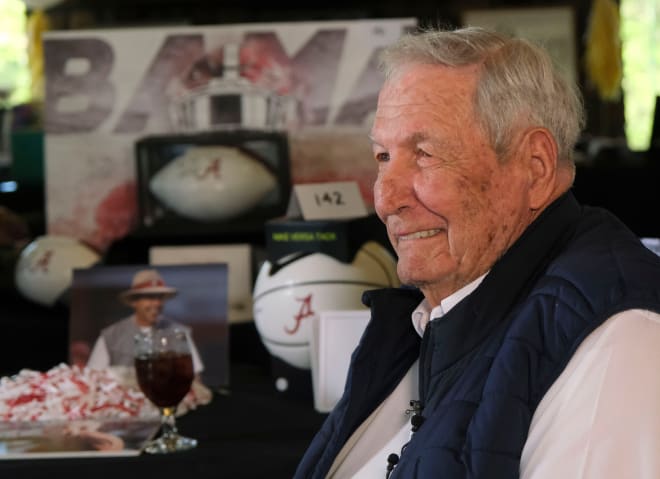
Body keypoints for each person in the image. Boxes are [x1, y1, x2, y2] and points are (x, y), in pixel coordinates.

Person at [294, 26, 660, 479]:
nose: (386, 199)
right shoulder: (427, 318)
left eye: (425, 154)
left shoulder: (619, 346)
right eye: (383, 157)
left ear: (535, 166)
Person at [87, 269, 204, 375]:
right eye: (150, 297)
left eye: (160, 297)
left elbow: (194, 376)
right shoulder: (111, 335)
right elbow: (94, 376)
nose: (157, 303)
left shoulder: (179, 332)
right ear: (134, 301)